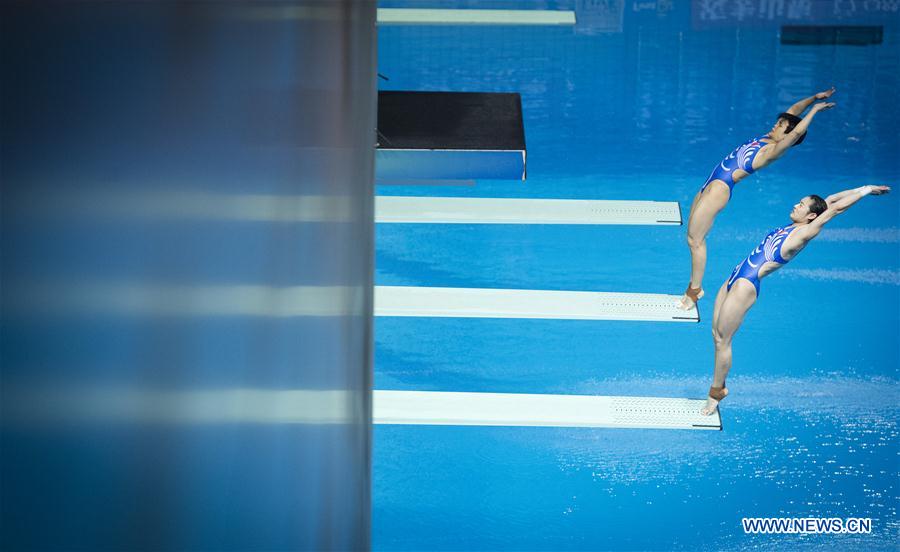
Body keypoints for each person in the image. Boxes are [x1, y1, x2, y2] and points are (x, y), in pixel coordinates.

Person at [700, 184, 891, 415]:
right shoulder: (796, 224)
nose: (795, 205)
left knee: (723, 341)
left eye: (801, 205)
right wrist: (863, 186)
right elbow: (831, 199)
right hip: (734, 277)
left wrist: (867, 191)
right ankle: (718, 387)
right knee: (716, 336)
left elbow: (835, 209)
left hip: (745, 284)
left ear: (811, 216)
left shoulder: (805, 233)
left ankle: (716, 392)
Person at [679, 88, 837, 310]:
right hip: (710, 183)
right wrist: (813, 99)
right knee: (691, 236)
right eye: (778, 122)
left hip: (719, 189)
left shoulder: (772, 151)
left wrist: (815, 111)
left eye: (780, 126)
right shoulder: (768, 137)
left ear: (787, 135)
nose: (775, 125)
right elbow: (793, 112)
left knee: (696, 241)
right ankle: (694, 289)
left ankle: (695, 291)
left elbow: (795, 133)